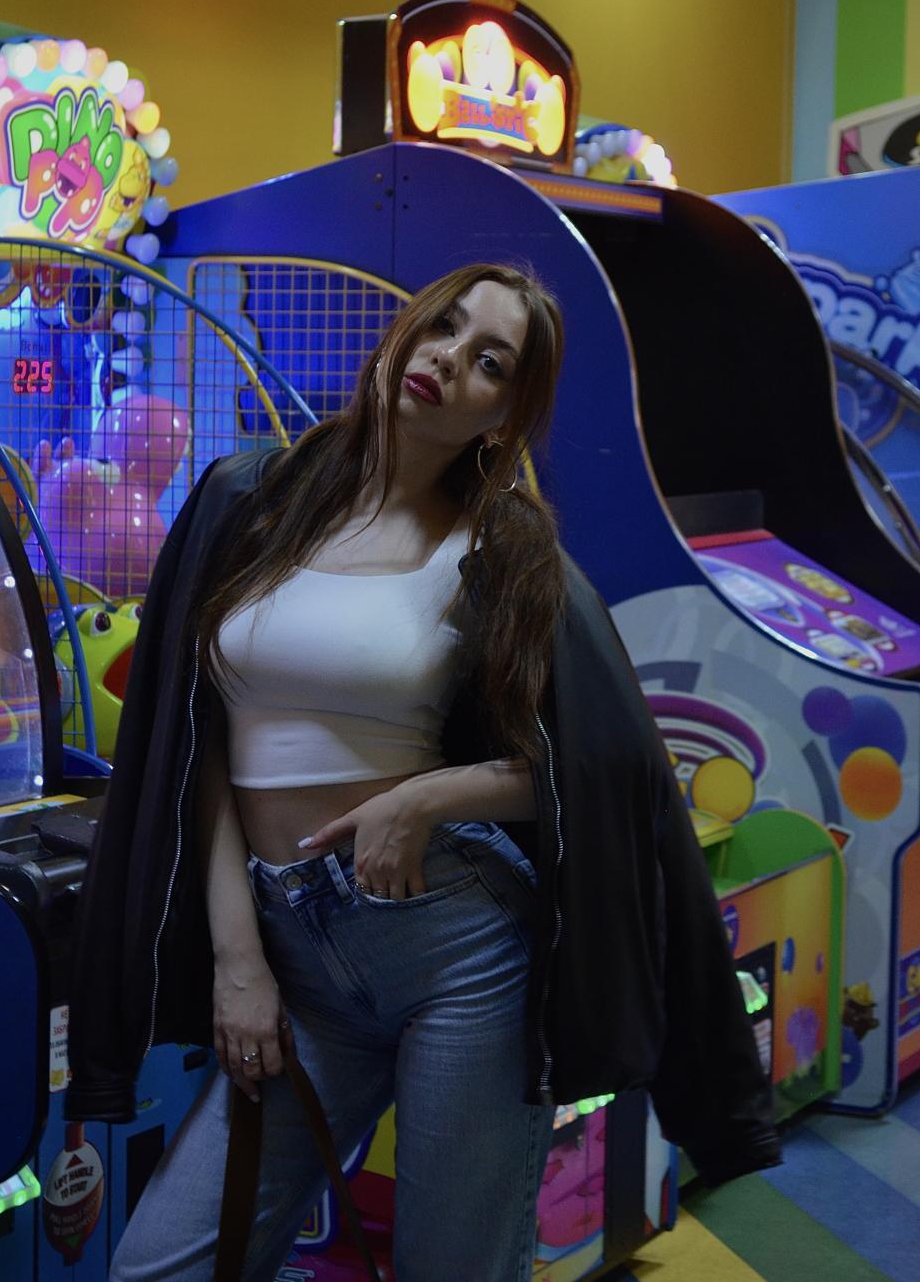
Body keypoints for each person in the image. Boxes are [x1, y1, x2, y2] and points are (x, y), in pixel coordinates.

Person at [65, 263, 780, 1281]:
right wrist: (238, 958)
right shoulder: (249, 498)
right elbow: (195, 754)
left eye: (489, 361)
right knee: (159, 1266)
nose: (447, 358)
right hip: (290, 954)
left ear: (503, 416)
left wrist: (430, 794)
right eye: (442, 326)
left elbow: (610, 771)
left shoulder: (502, 549)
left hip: (455, 949)